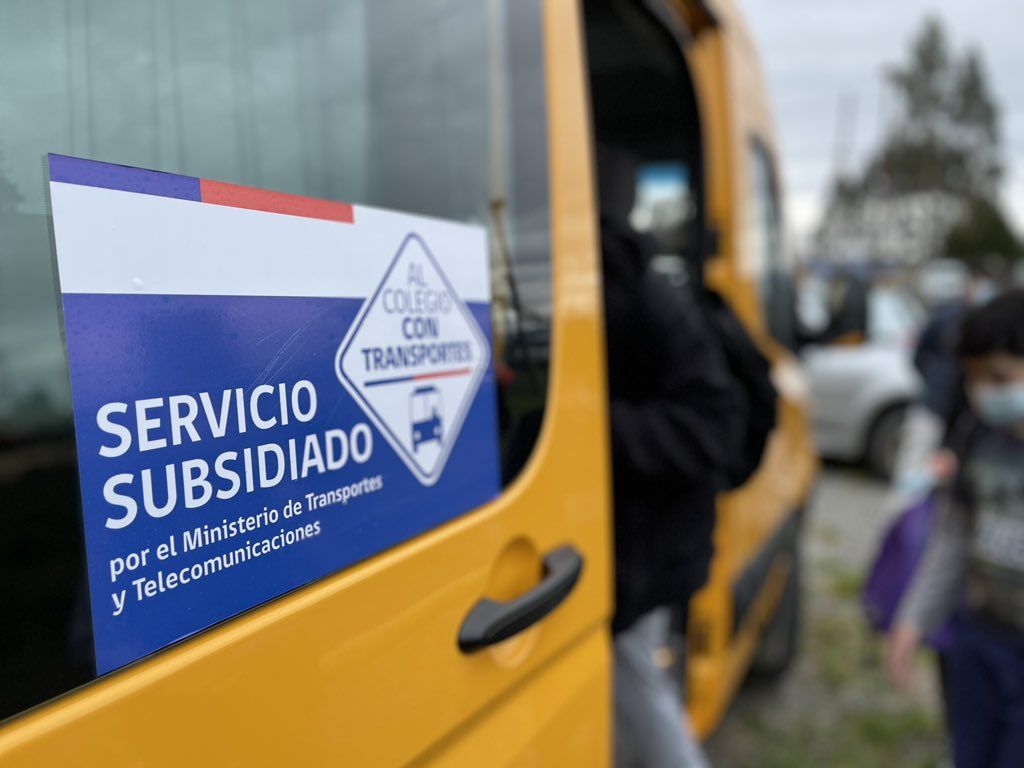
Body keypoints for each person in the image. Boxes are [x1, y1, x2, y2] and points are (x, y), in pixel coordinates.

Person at [598, 144, 743, 767]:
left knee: (640, 695)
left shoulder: (643, 290)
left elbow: (713, 426)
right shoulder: (619, 276)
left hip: (651, 547)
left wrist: (595, 429)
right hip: (642, 542)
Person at [887, 289, 1024, 768]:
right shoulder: (975, 437)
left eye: (1000, 377)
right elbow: (952, 538)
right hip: (978, 639)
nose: (984, 391)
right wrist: (913, 618)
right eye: (972, 378)